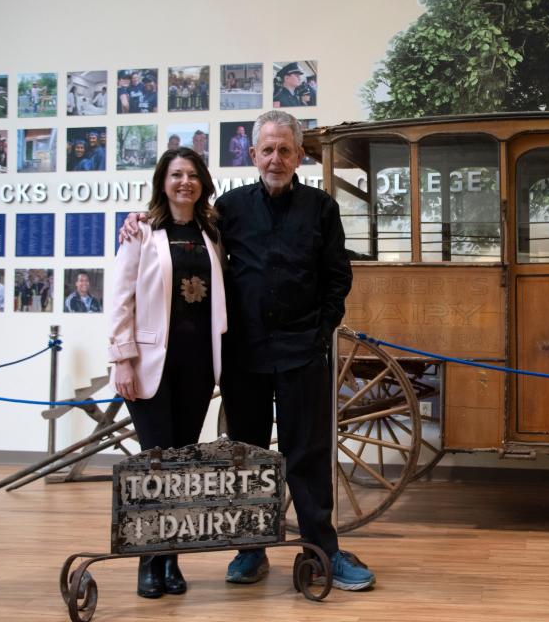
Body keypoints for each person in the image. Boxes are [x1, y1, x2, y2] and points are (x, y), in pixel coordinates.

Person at [121, 110, 373, 591]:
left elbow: (338, 277)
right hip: (245, 357)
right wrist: (138, 220)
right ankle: (250, 550)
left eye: (285, 150)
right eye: (267, 150)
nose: (276, 158)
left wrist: (321, 333)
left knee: (308, 454)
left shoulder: (322, 208)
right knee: (250, 458)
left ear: (299, 155)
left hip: (302, 352)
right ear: (253, 154)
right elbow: (181, 222)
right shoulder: (230, 209)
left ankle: (324, 551)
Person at [109, 147, 226, 599]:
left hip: (198, 365)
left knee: (181, 464)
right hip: (150, 365)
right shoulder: (141, 230)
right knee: (154, 464)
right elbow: (121, 298)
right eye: (176, 174)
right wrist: (122, 357)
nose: (185, 182)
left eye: (193, 175)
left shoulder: (213, 231)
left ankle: (171, 559)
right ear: (163, 181)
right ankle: (148, 562)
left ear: (203, 183)